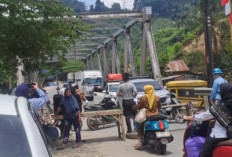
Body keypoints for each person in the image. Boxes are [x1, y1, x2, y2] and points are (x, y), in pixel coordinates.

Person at [184, 83, 232, 157]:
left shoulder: (219, 107)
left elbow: (203, 116)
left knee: (203, 154)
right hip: (230, 136)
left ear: (223, 93)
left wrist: (191, 117)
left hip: (219, 136)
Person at [132, 85, 162, 150]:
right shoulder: (157, 97)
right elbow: (159, 106)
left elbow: (139, 106)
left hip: (147, 116)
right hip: (156, 115)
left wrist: (134, 107)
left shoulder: (143, 98)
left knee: (140, 128)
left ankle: (139, 144)